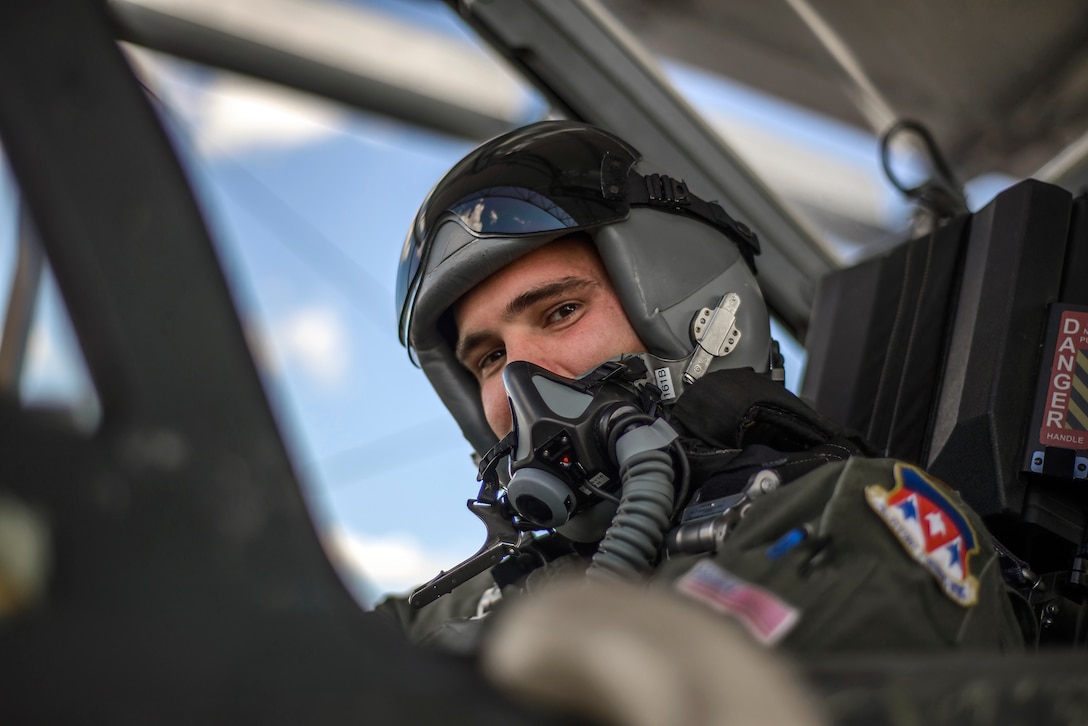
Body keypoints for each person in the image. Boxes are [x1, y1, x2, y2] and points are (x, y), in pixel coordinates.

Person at [375, 120, 1026, 656]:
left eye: (560, 313)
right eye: (489, 358)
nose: (522, 377)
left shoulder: (854, 515)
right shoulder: (473, 597)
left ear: (696, 314)